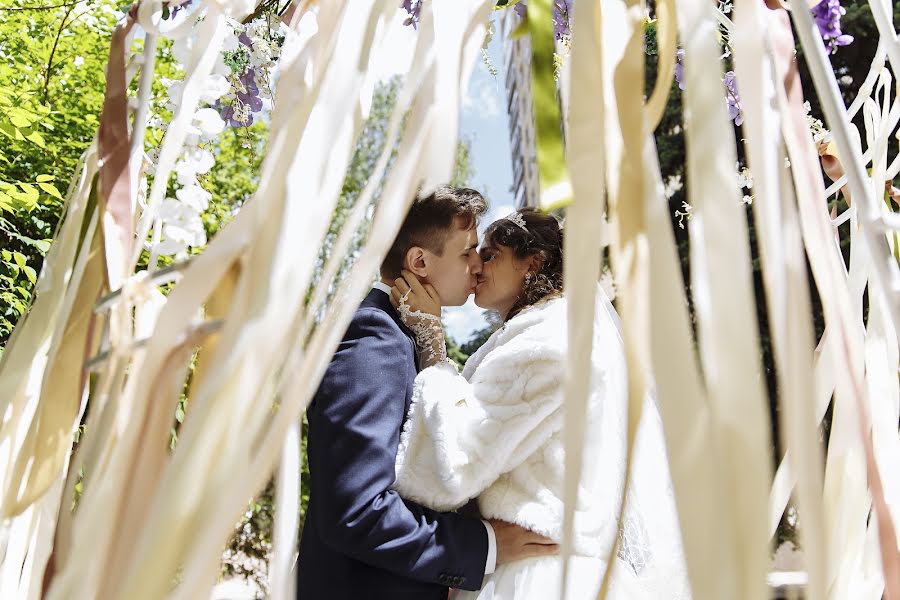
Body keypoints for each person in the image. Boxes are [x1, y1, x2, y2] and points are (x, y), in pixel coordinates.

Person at [390, 208, 691, 599]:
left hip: (541, 576)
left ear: (532, 264)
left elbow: (458, 462)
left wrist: (432, 343)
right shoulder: (540, 334)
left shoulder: (547, 343)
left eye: (492, 253)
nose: (477, 265)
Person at [296, 189, 557, 600]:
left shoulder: (400, 336)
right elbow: (356, 510)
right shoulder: (374, 341)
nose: (478, 264)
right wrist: (484, 546)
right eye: (469, 251)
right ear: (419, 262)